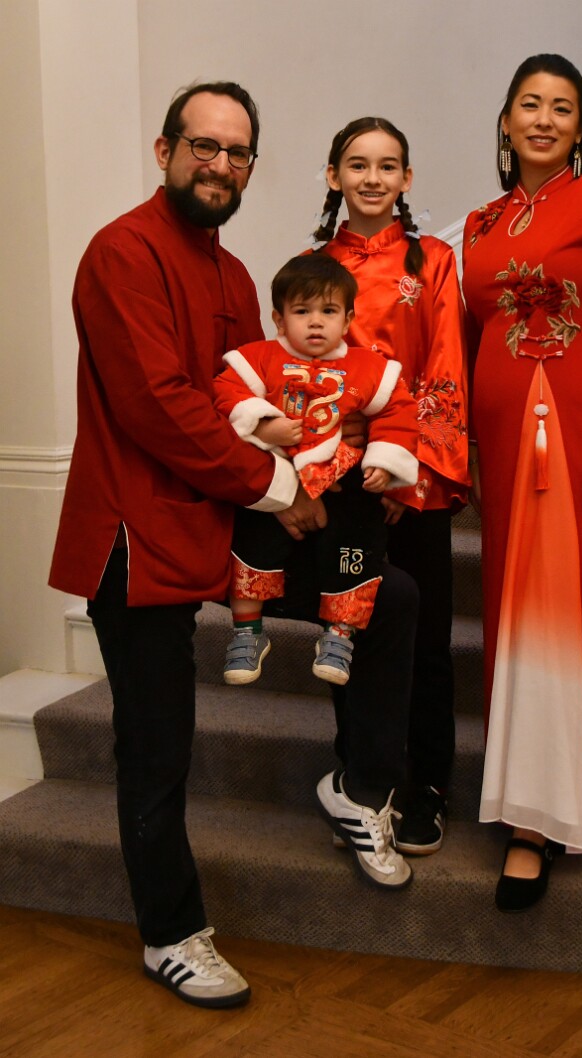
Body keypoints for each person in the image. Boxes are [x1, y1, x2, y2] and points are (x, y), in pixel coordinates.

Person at [48, 83, 416, 1012]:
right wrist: (279, 488)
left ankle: (356, 785)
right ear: (165, 149)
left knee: (391, 598)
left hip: (222, 524)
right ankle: (171, 934)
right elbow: (158, 405)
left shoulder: (237, 274)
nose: (219, 164)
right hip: (138, 534)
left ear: (251, 168)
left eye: (237, 153)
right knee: (157, 744)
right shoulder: (120, 252)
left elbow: (264, 404)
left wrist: (343, 462)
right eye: (203, 146)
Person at [461, 54, 582, 911]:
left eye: (563, 108)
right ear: (505, 122)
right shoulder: (479, 224)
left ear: (581, 128)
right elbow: (460, 335)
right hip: (502, 442)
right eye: (529, 105)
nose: (543, 119)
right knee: (514, 616)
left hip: (580, 432)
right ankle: (527, 807)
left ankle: (561, 818)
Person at [312, 117, 470, 855]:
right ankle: (359, 774)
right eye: (357, 164)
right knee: (348, 626)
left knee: (427, 641)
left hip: (414, 491)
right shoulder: (313, 268)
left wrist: (404, 472)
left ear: (406, 179)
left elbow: (443, 372)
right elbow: (299, 377)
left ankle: (427, 786)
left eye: (387, 166)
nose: (372, 178)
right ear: (334, 176)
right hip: (343, 491)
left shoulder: (432, 261)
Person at [213, 254, 418, 687]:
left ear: (347, 319)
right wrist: (265, 422)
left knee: (356, 544)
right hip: (280, 480)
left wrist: (384, 462)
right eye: (302, 311)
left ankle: (340, 634)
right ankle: (247, 632)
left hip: (342, 481)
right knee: (251, 539)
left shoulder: (369, 367)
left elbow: (399, 412)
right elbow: (225, 393)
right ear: (279, 318)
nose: (315, 323)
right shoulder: (259, 359)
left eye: (328, 312)